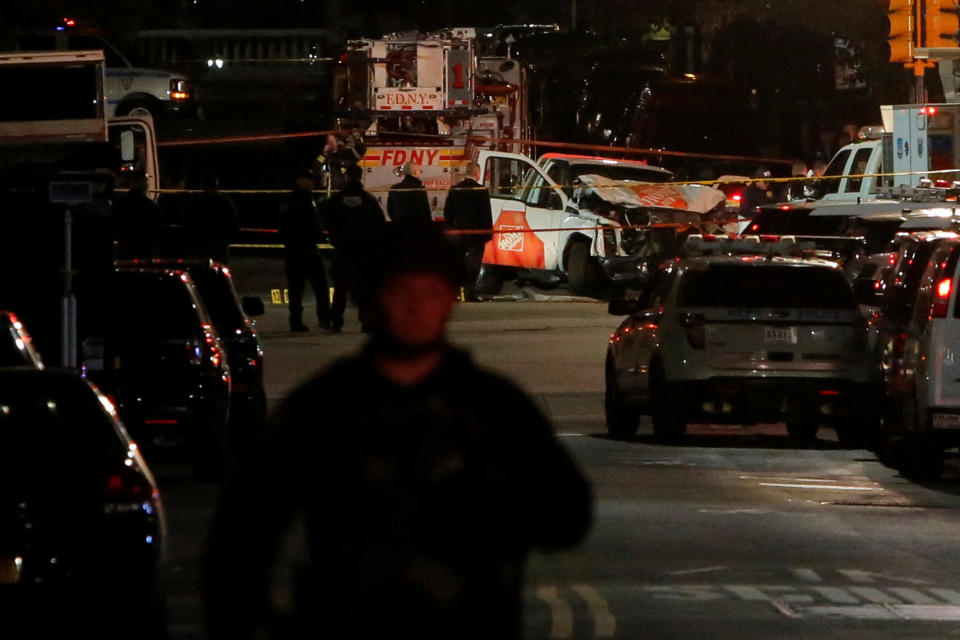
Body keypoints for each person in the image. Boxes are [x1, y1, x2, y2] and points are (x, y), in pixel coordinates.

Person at [201, 223, 593, 640]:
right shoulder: (324, 410)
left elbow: (567, 516)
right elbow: (240, 538)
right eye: (401, 292)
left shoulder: (494, 409)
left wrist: (487, 502)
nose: (416, 307)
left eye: (431, 293)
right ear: (372, 299)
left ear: (448, 301)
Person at [323, 163, 386, 331]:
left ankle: (336, 322)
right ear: (360, 177)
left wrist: (336, 239)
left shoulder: (336, 200)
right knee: (364, 289)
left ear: (347, 177)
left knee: (340, 290)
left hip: (343, 250)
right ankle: (366, 322)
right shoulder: (368, 200)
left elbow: (327, 221)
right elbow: (379, 223)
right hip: (363, 252)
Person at [277, 168, 331, 332]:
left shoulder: (298, 199)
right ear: (300, 180)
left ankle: (299, 321)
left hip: (296, 250)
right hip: (303, 249)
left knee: (297, 289)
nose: (313, 183)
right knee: (316, 286)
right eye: (310, 180)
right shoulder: (300, 200)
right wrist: (318, 234)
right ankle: (321, 319)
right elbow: (308, 224)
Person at [443, 161, 492, 301]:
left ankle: (456, 292)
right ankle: (469, 293)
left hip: (459, 234)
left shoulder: (455, 189)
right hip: (476, 235)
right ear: (477, 174)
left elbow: (448, 213)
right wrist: (488, 233)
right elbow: (485, 214)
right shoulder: (481, 190)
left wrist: (452, 228)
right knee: (474, 264)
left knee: (458, 262)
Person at [181, 173, 240, 263]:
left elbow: (187, 223)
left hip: (201, 245)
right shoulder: (225, 201)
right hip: (219, 245)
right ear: (216, 183)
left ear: (203, 185)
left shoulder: (197, 202)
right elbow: (234, 224)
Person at [112, 170, 163, 259]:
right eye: (146, 180)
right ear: (140, 182)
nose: (147, 183)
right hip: (144, 248)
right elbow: (156, 228)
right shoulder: (149, 205)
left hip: (125, 248)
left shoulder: (121, 202)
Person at [387, 161, 433, 226]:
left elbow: (390, 211)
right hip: (416, 229)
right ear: (414, 172)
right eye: (419, 171)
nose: (420, 173)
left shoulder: (394, 188)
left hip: (400, 228)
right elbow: (425, 212)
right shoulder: (419, 188)